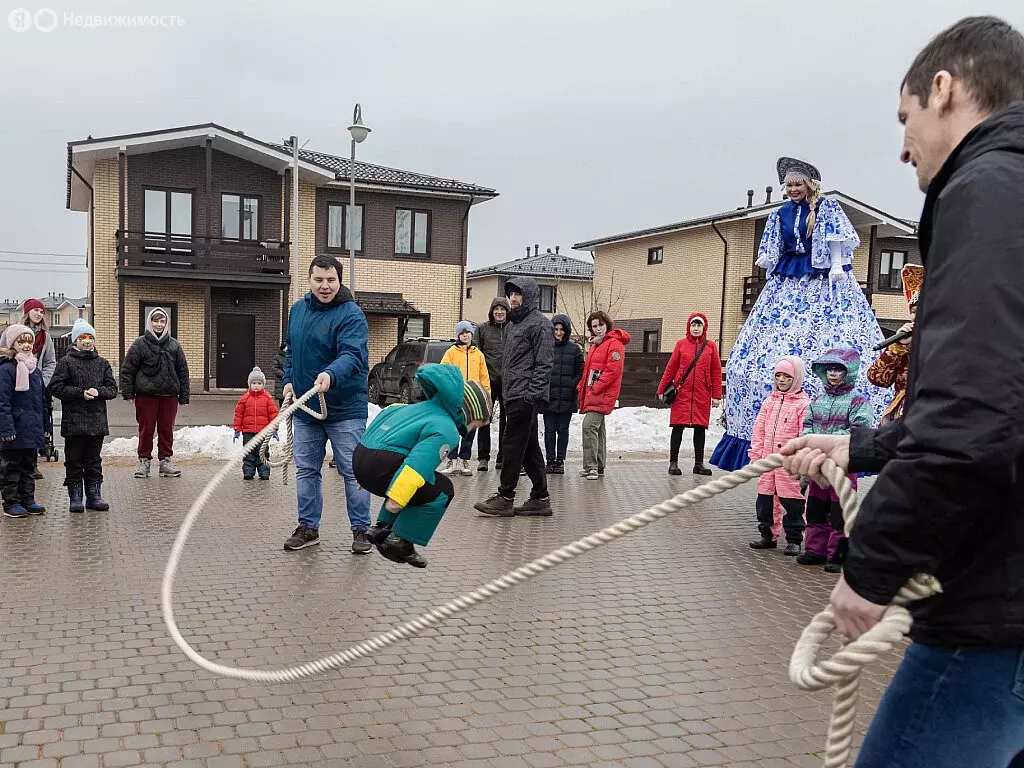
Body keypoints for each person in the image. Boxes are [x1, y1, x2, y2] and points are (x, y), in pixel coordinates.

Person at [782, 18, 1024, 766]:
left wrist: (876, 564)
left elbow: (974, 417)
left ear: (945, 90)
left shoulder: (987, 191)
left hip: (995, 610)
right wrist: (865, 445)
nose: (901, 143)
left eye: (905, 117)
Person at [710, 158, 889, 472]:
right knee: (760, 351)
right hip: (787, 282)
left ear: (810, 185)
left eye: (798, 184)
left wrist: (836, 265)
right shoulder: (780, 214)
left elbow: (836, 237)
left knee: (830, 340)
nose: (793, 189)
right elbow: (772, 247)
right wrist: (768, 263)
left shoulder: (827, 208)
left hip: (824, 282)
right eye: (789, 185)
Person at [281, 254, 372, 553]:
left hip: (345, 408)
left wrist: (331, 374)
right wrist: (288, 380)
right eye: (319, 280)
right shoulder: (297, 311)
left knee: (352, 471)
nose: (325, 286)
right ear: (309, 280)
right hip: (307, 408)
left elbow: (352, 355)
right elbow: (291, 350)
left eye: (331, 280)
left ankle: (361, 529)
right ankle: (308, 527)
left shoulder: (351, 314)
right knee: (306, 469)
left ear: (339, 280)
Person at [357, 365, 492, 568]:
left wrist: (365, 470)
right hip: (381, 466)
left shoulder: (406, 407)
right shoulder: (446, 427)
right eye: (476, 424)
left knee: (412, 481)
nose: (471, 430)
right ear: (469, 412)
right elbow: (417, 465)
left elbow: (379, 428)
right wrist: (397, 499)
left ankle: (381, 529)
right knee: (442, 489)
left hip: (360, 458)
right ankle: (402, 540)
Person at [473, 278, 554, 517]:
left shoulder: (540, 324)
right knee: (528, 447)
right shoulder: (513, 324)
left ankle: (505, 496)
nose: (513, 299)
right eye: (511, 295)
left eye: (518, 294)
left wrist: (532, 394)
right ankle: (540, 497)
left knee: (511, 445)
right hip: (512, 393)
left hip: (525, 395)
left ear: (528, 296)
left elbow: (544, 362)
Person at [796, 349, 872, 573]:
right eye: (829, 369)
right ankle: (815, 549)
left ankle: (837, 554)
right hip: (819, 466)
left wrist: (832, 442)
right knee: (816, 509)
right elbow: (807, 425)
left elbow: (860, 429)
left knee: (840, 512)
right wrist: (811, 444)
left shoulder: (857, 401)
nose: (832, 374)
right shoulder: (818, 400)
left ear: (848, 372)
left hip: (843, 466)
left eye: (838, 369)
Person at [48, 319, 117, 512]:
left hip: (97, 422)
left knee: (94, 461)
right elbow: (56, 387)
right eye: (82, 337)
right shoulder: (66, 362)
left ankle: (94, 496)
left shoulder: (102, 363)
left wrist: (99, 392)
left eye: (90, 337)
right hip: (74, 422)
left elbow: (112, 388)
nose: (87, 341)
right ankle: (75, 497)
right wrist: (80, 393)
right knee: (74, 461)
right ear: (75, 340)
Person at [747, 356, 809, 555]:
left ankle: (794, 538)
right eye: (778, 376)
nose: (781, 380)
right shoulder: (769, 402)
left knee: (792, 502)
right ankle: (768, 535)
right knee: (765, 500)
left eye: (787, 377)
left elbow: (804, 436)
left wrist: (800, 461)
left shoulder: (803, 405)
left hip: (788, 464)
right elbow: (759, 430)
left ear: (796, 378)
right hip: (767, 460)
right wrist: (756, 455)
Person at [119, 307, 189, 479]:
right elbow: (128, 369)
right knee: (146, 429)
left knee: (167, 429)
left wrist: (184, 395)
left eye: (162, 321)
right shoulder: (139, 344)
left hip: (169, 396)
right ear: (150, 322)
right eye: (155, 321)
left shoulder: (174, 345)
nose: (159, 324)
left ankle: (165, 460)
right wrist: (128, 393)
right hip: (146, 396)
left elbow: (183, 370)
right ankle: (144, 461)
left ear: (166, 323)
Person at [657, 313, 722, 476]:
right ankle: (673, 463)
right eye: (693, 325)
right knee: (677, 427)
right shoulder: (681, 344)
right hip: (682, 393)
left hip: (702, 394)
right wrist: (661, 388)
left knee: (700, 428)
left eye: (699, 325)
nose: (696, 328)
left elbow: (716, 371)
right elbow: (670, 368)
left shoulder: (711, 347)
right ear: (689, 326)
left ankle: (698, 464)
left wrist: (716, 395)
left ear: (704, 327)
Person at [0, 324, 50, 518]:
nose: (27, 345)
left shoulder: (34, 371)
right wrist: (6, 428)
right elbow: (3, 402)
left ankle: (28, 500)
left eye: (29, 341)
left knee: (28, 467)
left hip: (31, 427)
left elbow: (42, 402)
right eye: (21, 342)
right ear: (13, 344)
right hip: (14, 427)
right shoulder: (7, 370)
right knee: (11, 467)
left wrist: (45, 426)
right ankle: (11, 502)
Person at [867, 264, 923, 425]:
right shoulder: (905, 344)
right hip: (900, 419)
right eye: (913, 312)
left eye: (920, 312)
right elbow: (877, 378)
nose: (914, 318)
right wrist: (898, 347)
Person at [577, 311, 629, 480]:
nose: (598, 328)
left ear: (607, 325)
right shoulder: (595, 345)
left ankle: (591, 467)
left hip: (601, 393)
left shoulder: (614, 344)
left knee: (589, 427)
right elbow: (589, 370)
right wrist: (582, 386)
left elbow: (613, 370)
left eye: (600, 325)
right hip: (594, 392)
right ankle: (598, 465)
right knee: (598, 430)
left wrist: (597, 387)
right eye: (594, 326)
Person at [438, 320, 490, 476]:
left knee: (469, 431)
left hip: (472, 399)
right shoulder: (451, 353)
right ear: (458, 335)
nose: (465, 335)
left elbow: (484, 377)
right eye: (462, 332)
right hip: (455, 398)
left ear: (471, 334)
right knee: (453, 429)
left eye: (467, 332)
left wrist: (485, 394)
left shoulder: (478, 354)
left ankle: (464, 460)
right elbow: (443, 373)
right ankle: (452, 460)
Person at [542, 314, 584, 475]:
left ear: (566, 331)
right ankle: (550, 460)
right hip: (549, 396)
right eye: (556, 329)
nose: (558, 333)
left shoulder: (574, 349)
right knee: (549, 430)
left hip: (567, 396)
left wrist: (573, 383)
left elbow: (581, 369)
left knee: (563, 430)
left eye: (561, 329)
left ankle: (560, 460)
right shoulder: (545, 347)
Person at [474, 297, 510, 471]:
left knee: (506, 421)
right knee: (484, 419)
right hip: (487, 382)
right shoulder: (482, 329)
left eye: (502, 309)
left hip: (508, 382)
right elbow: (476, 354)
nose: (499, 312)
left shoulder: (513, 328)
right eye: (496, 309)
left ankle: (502, 457)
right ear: (492, 312)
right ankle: (483, 457)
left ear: (507, 311)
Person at [22, 298, 56, 479]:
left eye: (42, 311)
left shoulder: (45, 337)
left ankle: (32, 463)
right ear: (27, 312)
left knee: (36, 424)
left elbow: (51, 362)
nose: (39, 314)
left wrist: (42, 380)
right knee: (19, 423)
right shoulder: (16, 332)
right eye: (35, 310)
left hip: (37, 386)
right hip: (17, 386)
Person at [233, 366, 280, 480]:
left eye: (259, 383)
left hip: (263, 432)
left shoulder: (268, 398)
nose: (256, 385)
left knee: (262, 453)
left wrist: (275, 429)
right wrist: (237, 429)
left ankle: (264, 472)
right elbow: (239, 414)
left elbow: (273, 415)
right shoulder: (245, 398)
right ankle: (248, 472)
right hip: (248, 432)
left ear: (263, 384)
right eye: (254, 383)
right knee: (249, 453)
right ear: (249, 384)